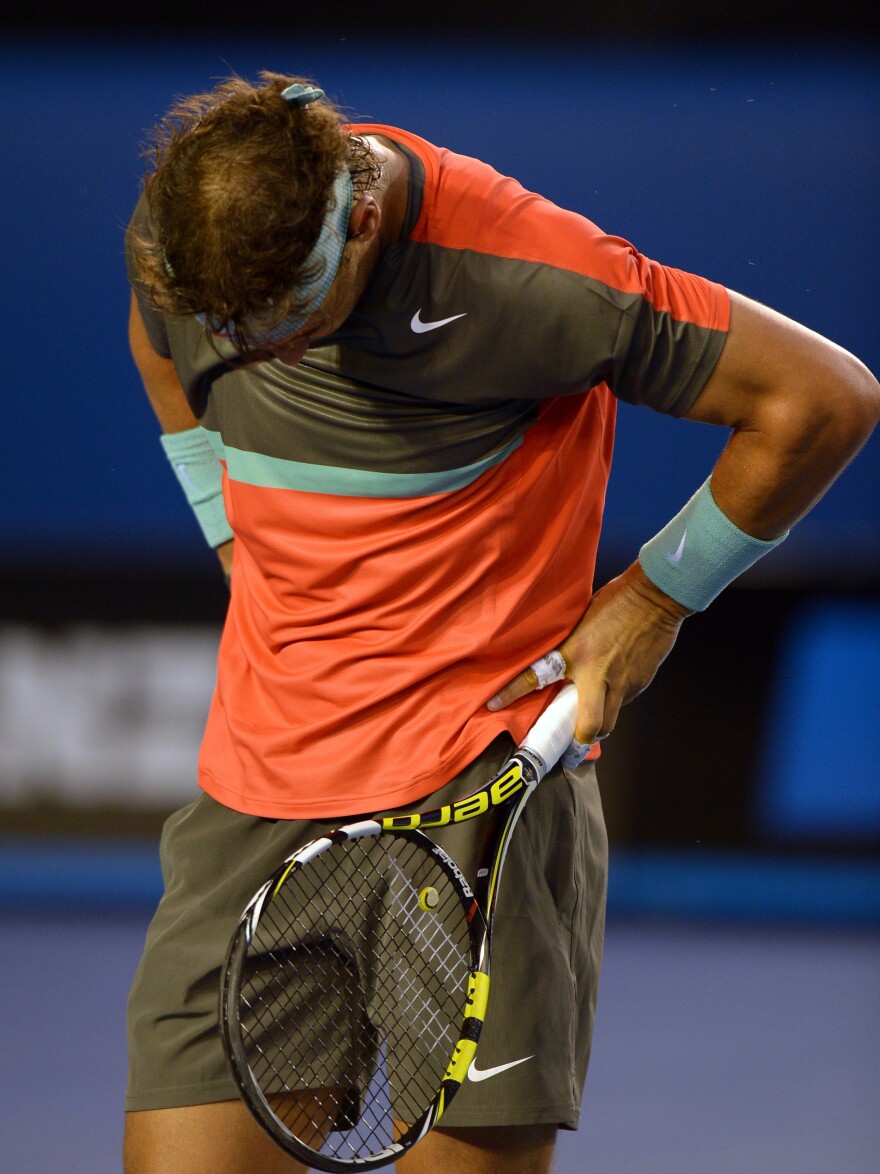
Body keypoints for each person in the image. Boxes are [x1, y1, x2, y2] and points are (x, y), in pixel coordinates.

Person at [123, 72, 878, 1174]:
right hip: (259, 787)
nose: (245, 344)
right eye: (223, 320)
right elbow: (163, 349)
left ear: (363, 221)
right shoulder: (189, 244)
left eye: (283, 317)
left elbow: (822, 397)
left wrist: (657, 597)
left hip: (481, 796)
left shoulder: (529, 275)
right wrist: (231, 535)